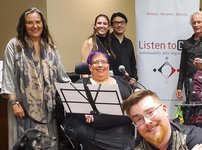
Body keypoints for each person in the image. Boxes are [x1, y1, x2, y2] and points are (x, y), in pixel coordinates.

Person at [0, 7, 71, 149]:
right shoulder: (14, 46)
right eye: (30, 22)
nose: (35, 26)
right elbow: (7, 77)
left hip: (48, 110)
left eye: (38, 22)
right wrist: (14, 103)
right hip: (22, 109)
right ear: (23, 25)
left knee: (48, 144)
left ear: (43, 24)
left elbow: (62, 76)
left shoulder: (50, 46)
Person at [63, 50, 136, 150]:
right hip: (93, 133)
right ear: (90, 67)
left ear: (108, 66)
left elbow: (132, 106)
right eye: (96, 62)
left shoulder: (121, 81)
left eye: (103, 62)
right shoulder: (80, 85)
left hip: (121, 131)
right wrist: (84, 113)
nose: (100, 65)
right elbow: (73, 112)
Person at [122, 90, 202, 150]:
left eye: (150, 112)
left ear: (164, 110)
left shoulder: (197, 137)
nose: (147, 122)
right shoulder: (134, 148)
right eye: (138, 119)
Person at [110, 12, 138, 85]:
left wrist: (134, 78)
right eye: (116, 23)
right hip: (111, 81)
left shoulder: (129, 42)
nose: (119, 25)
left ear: (125, 24)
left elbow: (133, 64)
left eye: (122, 22)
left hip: (127, 82)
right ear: (112, 25)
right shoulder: (106, 41)